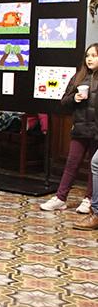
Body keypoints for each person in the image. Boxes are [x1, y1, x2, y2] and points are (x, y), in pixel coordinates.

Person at [41, 43, 98, 214]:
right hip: (80, 128)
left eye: (94, 55)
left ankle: (89, 199)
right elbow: (64, 101)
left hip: (97, 130)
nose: (90, 59)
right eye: (88, 56)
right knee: (71, 164)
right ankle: (60, 198)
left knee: (93, 166)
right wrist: (76, 98)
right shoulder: (78, 77)